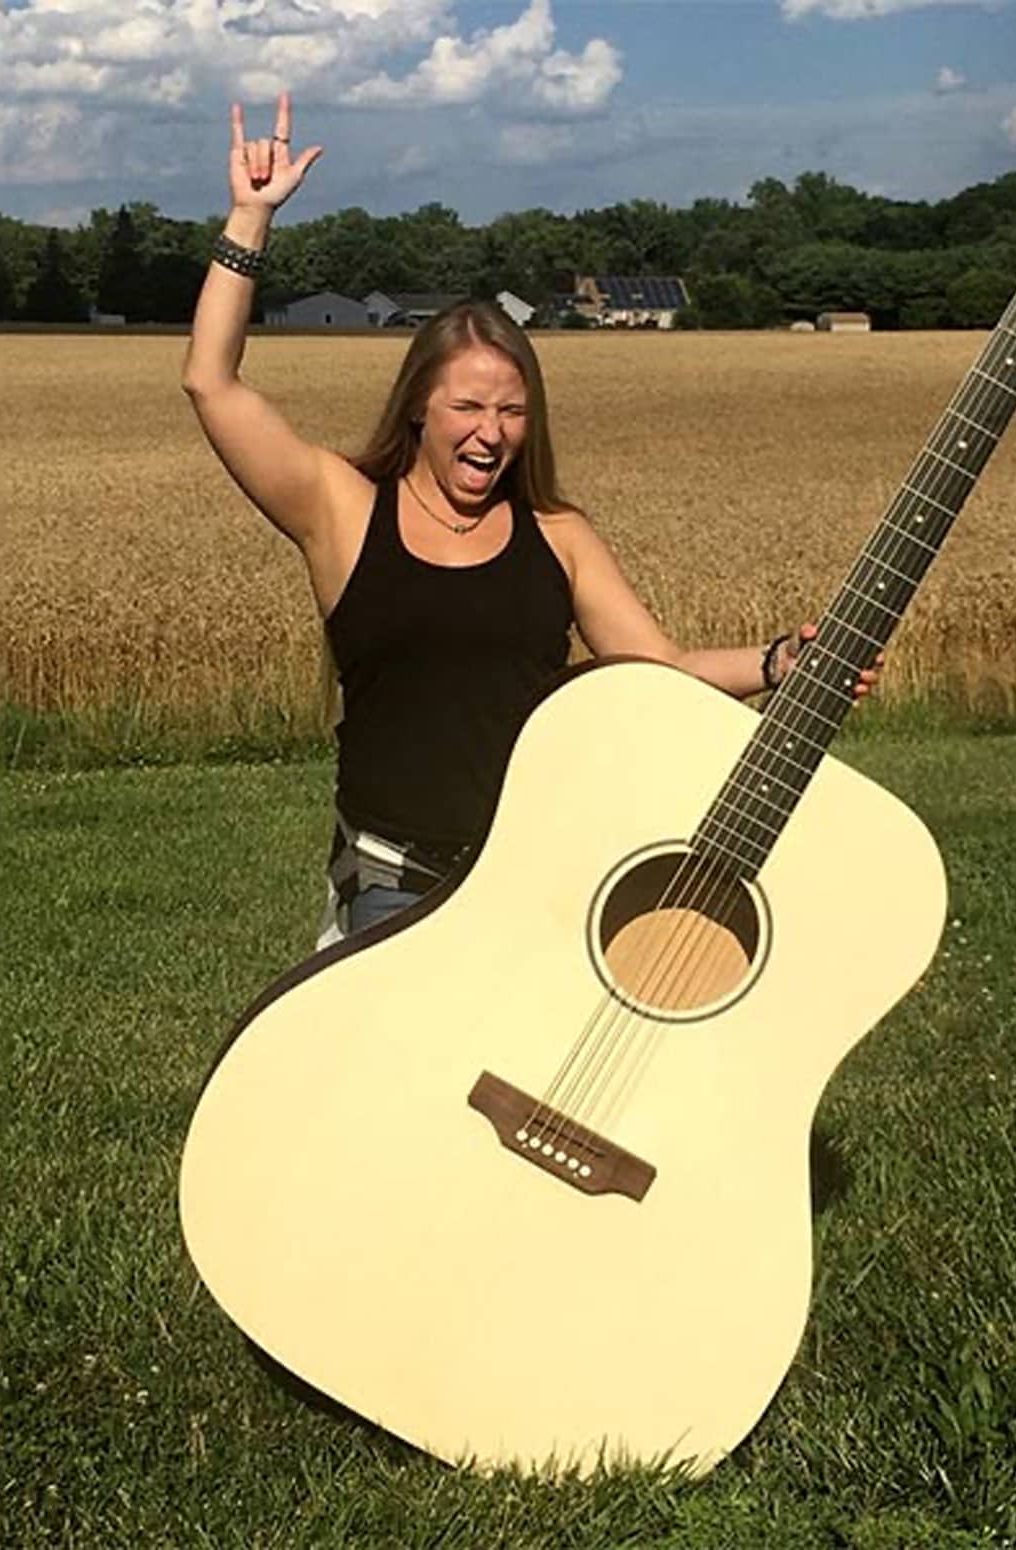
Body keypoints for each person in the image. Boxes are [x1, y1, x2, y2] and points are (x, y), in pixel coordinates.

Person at [181, 93, 881, 945]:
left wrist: (781, 662)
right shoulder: (343, 508)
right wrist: (250, 218)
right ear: (418, 410)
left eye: (512, 410)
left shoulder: (559, 536)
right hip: (390, 881)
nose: (491, 431)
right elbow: (211, 383)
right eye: (468, 406)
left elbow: (656, 669)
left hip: (538, 872)